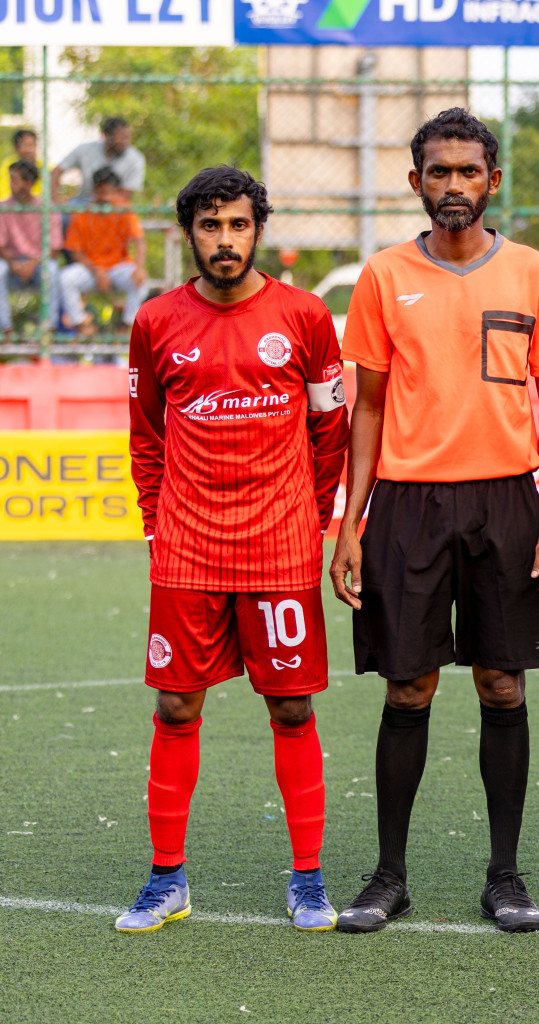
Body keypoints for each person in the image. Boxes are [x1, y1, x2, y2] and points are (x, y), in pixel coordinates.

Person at [328, 107, 539, 935]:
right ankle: (388, 875)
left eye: (468, 172)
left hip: (509, 500)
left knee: (501, 682)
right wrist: (349, 520)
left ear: (493, 181)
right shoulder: (381, 275)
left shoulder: (534, 273)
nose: (453, 186)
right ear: (416, 183)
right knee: (409, 685)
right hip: (408, 502)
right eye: (438, 172)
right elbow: (365, 408)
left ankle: (505, 876)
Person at [118, 166, 349, 933]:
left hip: (279, 546)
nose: (226, 240)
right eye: (211, 226)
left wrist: (309, 520)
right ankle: (167, 879)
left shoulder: (306, 317)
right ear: (189, 232)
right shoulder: (155, 321)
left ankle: (309, 879)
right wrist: (158, 525)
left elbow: (329, 433)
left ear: (259, 229)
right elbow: (146, 435)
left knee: (291, 707)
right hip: (187, 547)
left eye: (239, 225)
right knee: (177, 703)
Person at [58, 167, 148, 335]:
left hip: (118, 267)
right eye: (101, 192)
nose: (105, 197)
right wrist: (97, 271)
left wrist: (140, 267)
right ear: (94, 191)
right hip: (90, 269)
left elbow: (139, 241)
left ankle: (126, 325)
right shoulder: (82, 213)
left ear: (115, 191)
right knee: (66, 278)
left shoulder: (123, 209)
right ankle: (81, 325)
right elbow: (75, 251)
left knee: (141, 281)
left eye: (109, 192)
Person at [0, 161, 63, 336]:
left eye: (15, 180)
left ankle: (48, 330)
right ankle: (6, 330)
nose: (12, 185)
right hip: (12, 265)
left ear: (29, 183)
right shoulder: (4, 208)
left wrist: (32, 264)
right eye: (11, 180)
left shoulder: (47, 207)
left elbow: (55, 248)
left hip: (38, 264)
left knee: (52, 270)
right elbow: (1, 245)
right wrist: (13, 264)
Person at [52, 116, 146, 202]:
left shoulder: (135, 159)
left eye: (127, 137)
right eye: (121, 137)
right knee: (64, 216)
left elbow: (125, 194)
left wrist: (102, 201)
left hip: (113, 205)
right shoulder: (85, 150)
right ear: (107, 135)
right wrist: (56, 201)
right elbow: (56, 172)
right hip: (84, 201)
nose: (125, 142)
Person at [0, 129, 41, 202]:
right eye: (25, 145)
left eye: (32, 145)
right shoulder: (8, 165)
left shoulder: (45, 167)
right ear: (16, 148)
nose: (29, 150)